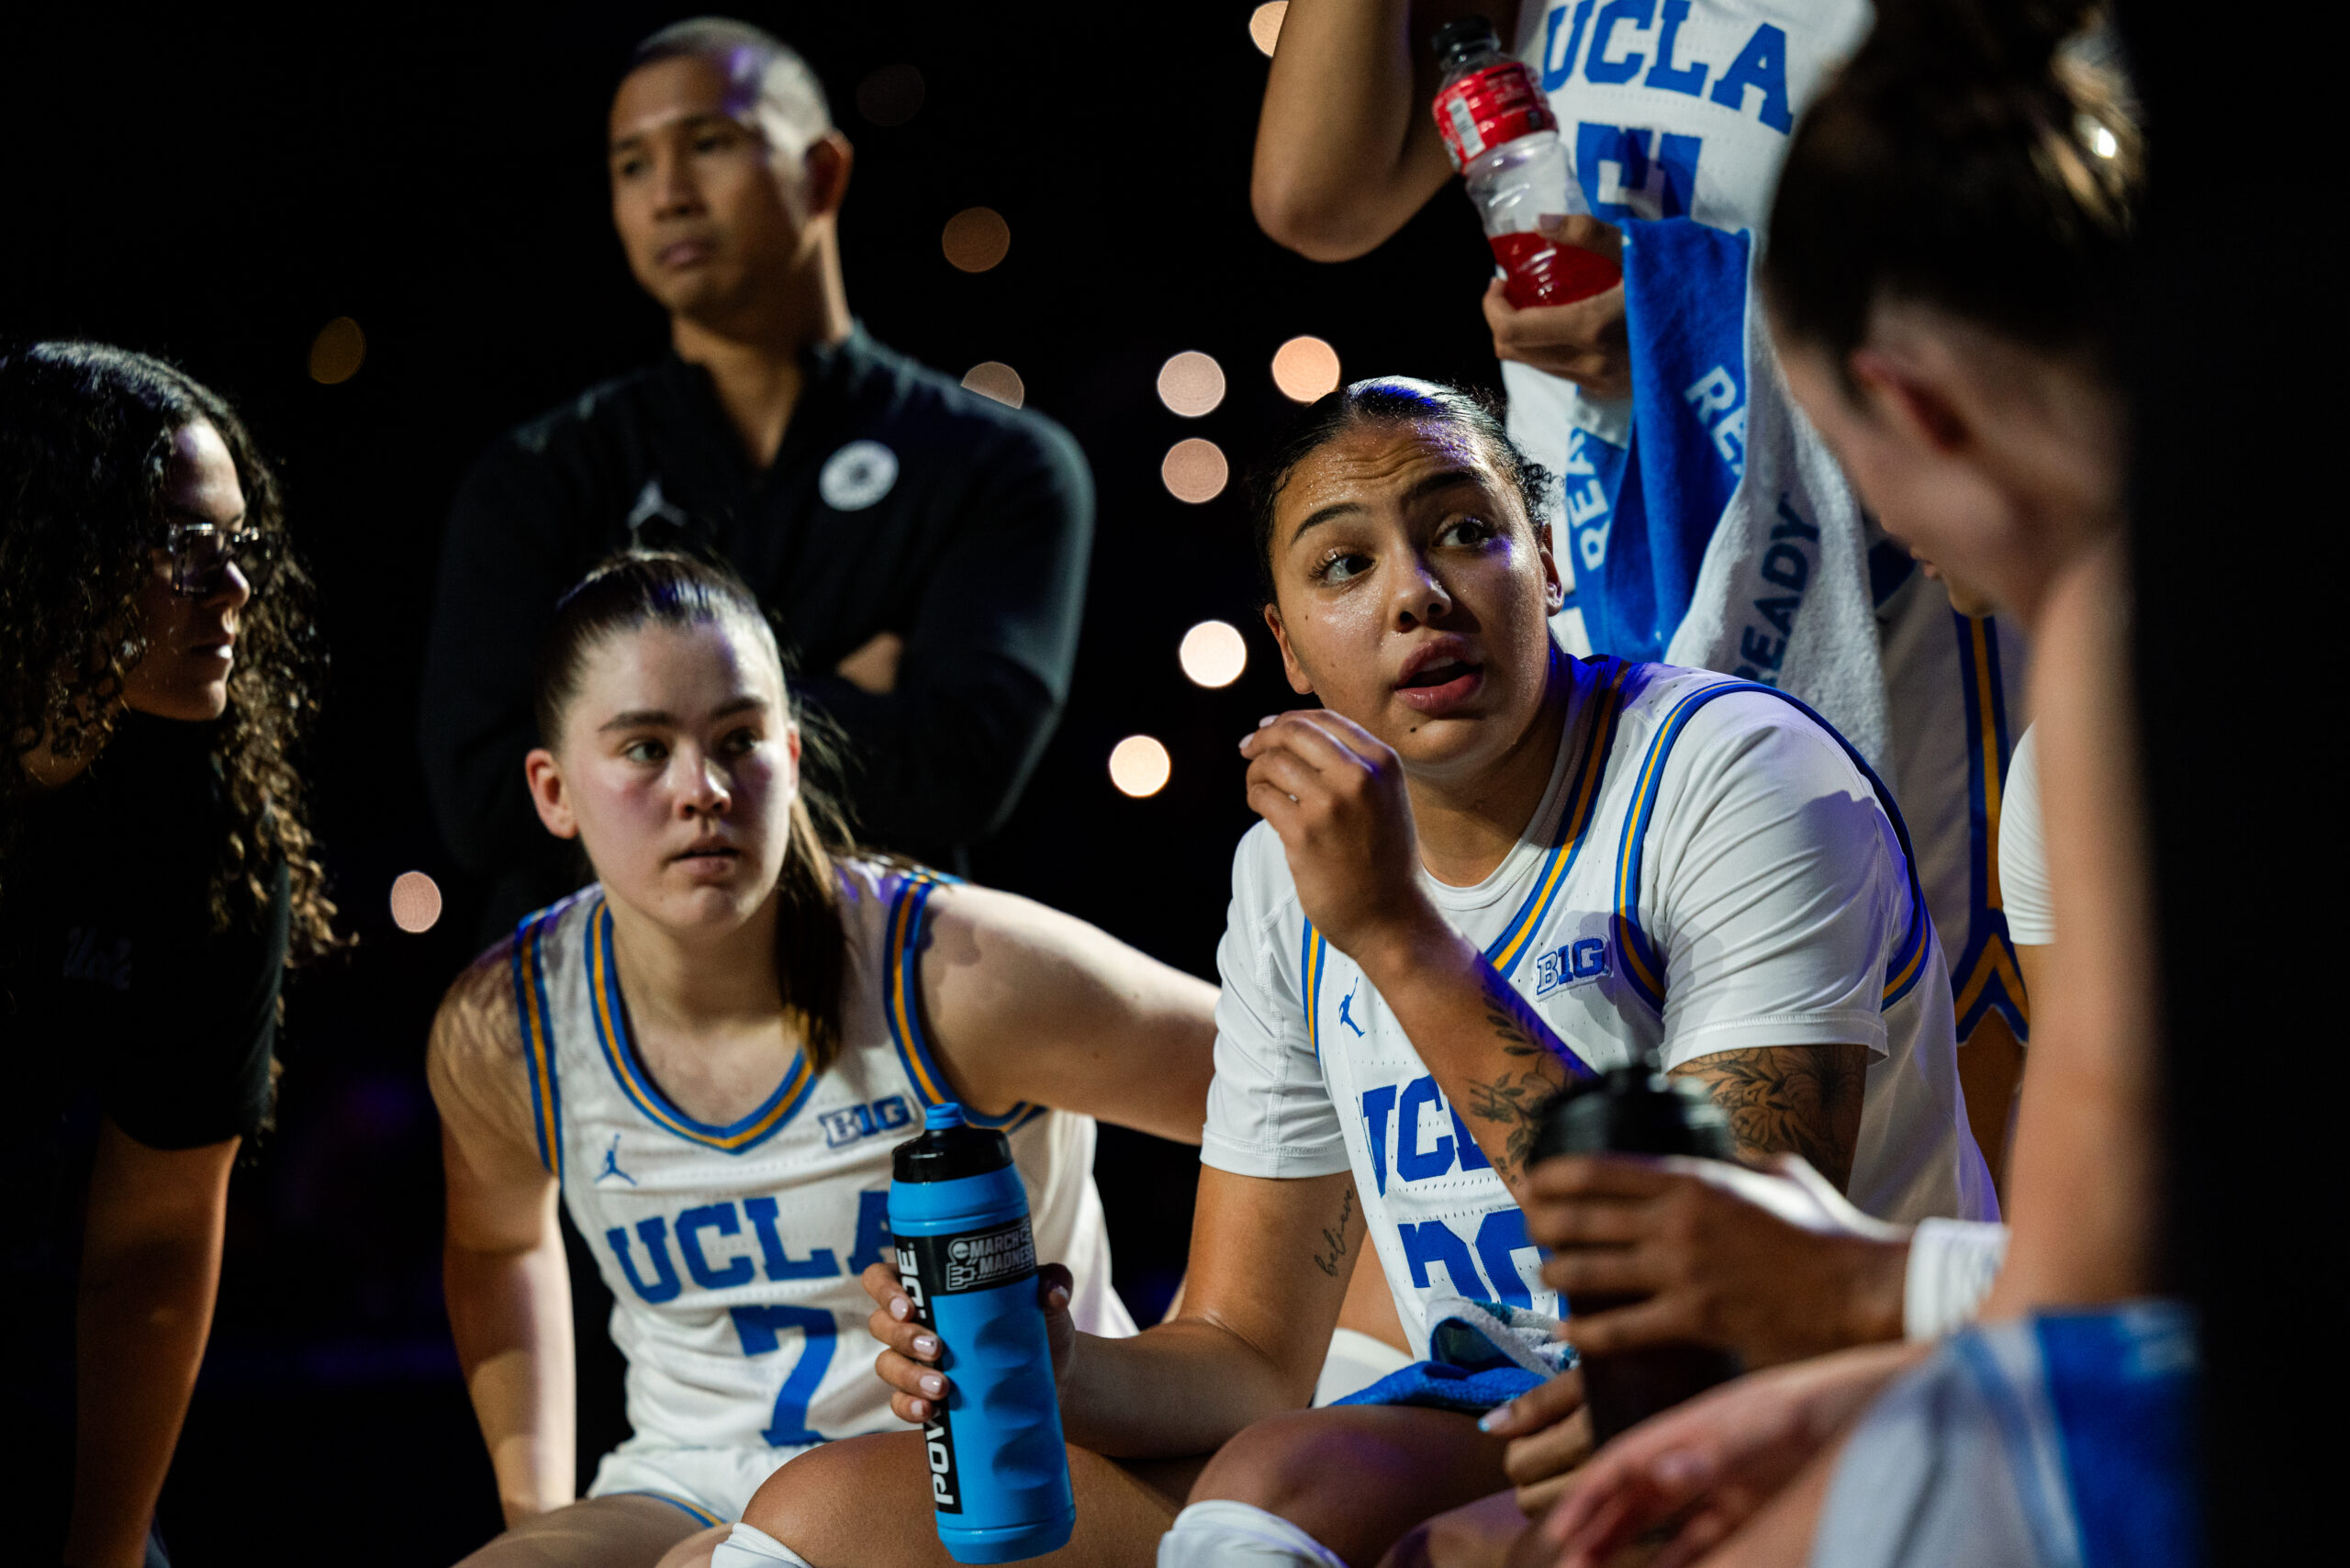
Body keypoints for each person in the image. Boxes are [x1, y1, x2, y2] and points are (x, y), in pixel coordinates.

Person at [705, 378, 1989, 1568]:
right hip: (1490, 1414)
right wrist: (1054, 1368)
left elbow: (1731, 1285)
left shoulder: (1736, 774)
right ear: (1288, 647)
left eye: (1465, 533)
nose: (1416, 594)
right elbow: (1246, 1353)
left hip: (1792, 1396)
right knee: (813, 1519)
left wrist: (1394, 933)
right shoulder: (1285, 873)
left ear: (1548, 563)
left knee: (1277, 1495)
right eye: (1344, 565)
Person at [1527, 6, 2183, 1562]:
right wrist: (1846, 1392)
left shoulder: (2119, 666)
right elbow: (2080, 1293)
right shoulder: (2083, 694)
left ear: (1914, 407)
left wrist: (1849, 1282)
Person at [1252, 0, 2031, 1195]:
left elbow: (2064, 280)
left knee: (1908, 1130)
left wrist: (1695, 319)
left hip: (1882, 593)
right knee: (1574, 1096)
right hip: (1592, 590)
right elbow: (1314, 201)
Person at [430, 551, 1216, 1568]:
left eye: (739, 740)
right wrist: (532, 1503)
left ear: (791, 756)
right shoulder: (510, 1028)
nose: (702, 789)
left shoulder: (958, 974)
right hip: (683, 1479)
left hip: (975, 1476)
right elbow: (495, 1244)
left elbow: (1304, 1094)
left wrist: (1210, 1379)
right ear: (553, 790)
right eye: (645, 749)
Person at [421, 17, 1095, 938]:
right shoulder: (540, 476)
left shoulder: (997, 464)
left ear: (823, 174)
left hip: (884, 987)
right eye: (632, 165)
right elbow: (483, 799)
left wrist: (628, 746)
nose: (668, 195)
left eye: (708, 144)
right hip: (594, 1001)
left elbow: (959, 773)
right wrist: (844, 699)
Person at [0, 342, 338, 1567]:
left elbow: (153, 1241)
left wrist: (100, 1547)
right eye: (186, 548)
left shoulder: (213, 845)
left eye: (239, 546)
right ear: (49, 555)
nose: (233, 588)